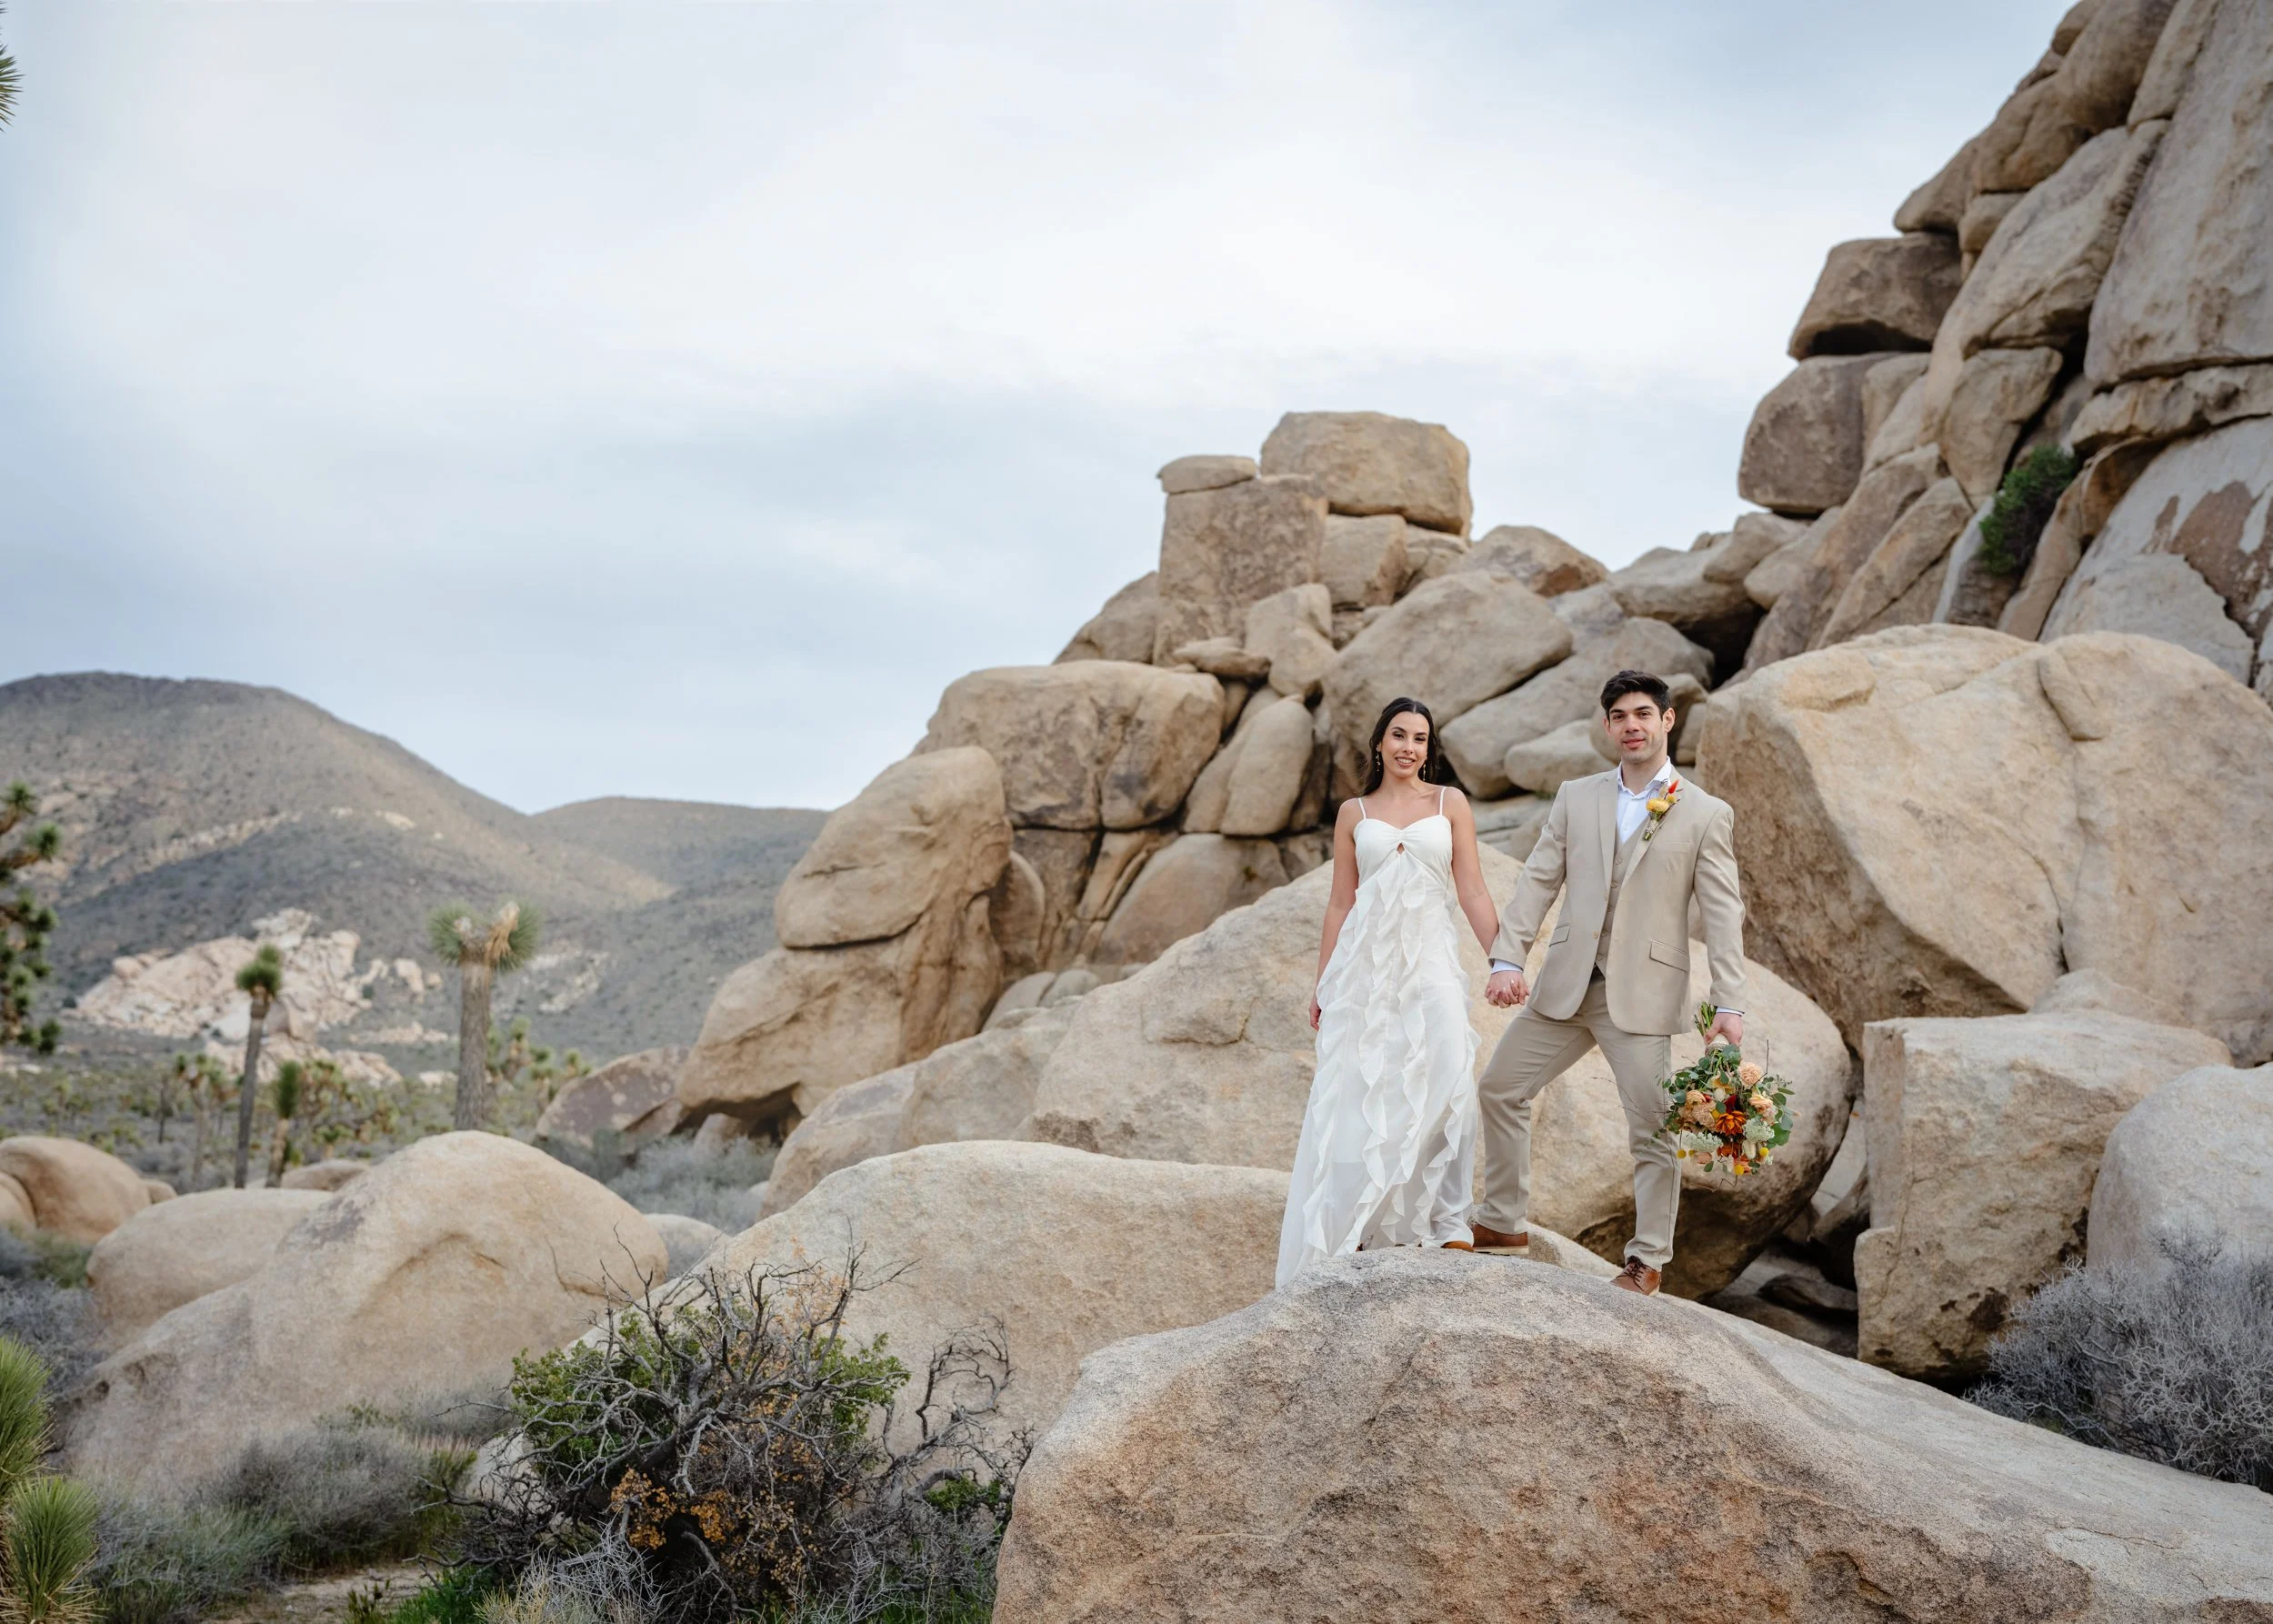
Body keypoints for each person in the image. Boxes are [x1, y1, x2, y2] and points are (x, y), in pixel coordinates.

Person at [1468, 668, 1747, 1295]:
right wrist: (1507, 957)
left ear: (1668, 721)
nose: (1631, 726)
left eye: (1643, 714)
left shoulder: (1705, 813)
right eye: (1620, 716)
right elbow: (1541, 877)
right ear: (1607, 726)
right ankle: (1503, 1221)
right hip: (1568, 984)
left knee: (1651, 1128)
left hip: (1642, 996)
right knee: (1499, 1088)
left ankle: (1648, 1260)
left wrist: (1730, 1003)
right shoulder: (1577, 796)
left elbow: (1725, 912)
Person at [1275, 697, 1507, 1288]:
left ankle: (1450, 1219)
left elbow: (1473, 890)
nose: (1409, 747)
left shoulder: (1450, 804)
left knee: (1451, 1070)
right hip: (1366, 972)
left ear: (1430, 749)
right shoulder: (1353, 813)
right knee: (1364, 1089)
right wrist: (1324, 982)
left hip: (1430, 962)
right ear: (1379, 744)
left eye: (1420, 738)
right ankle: (1363, 1217)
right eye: (1399, 735)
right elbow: (1339, 903)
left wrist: (1504, 959)